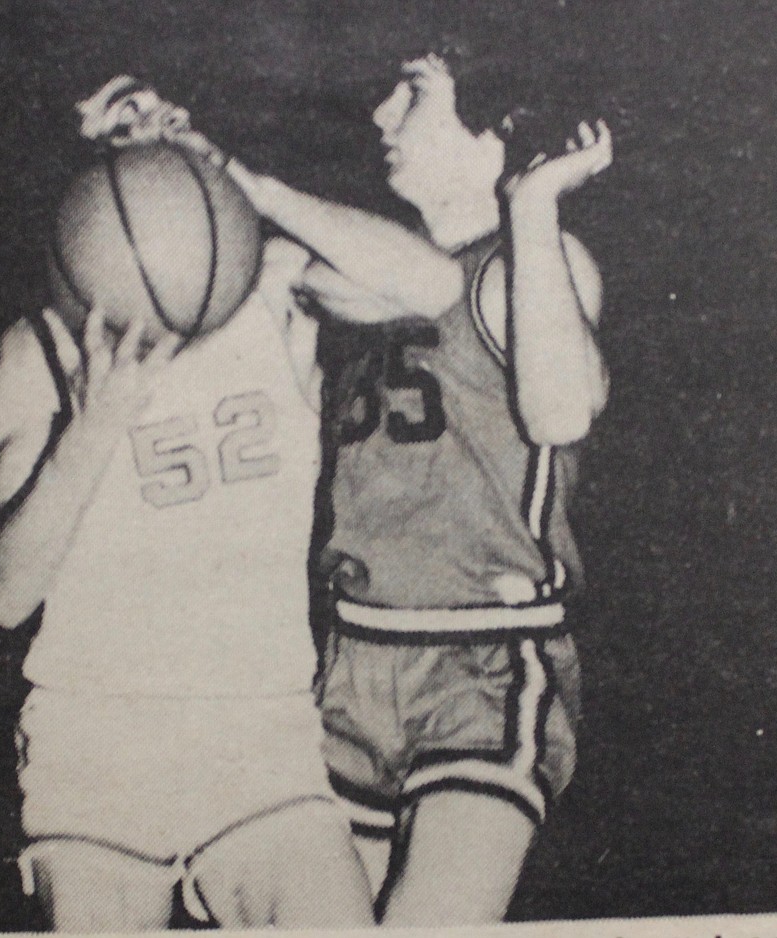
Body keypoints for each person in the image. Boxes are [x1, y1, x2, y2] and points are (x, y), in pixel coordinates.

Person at [0, 77, 469, 931]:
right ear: (82, 181)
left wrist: (254, 186)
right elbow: (2, 595)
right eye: (117, 117)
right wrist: (95, 426)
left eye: (159, 105)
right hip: (99, 741)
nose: (152, 123)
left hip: (260, 735)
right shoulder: (36, 356)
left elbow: (435, 287)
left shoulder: (272, 284)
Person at [199, 51, 612, 924]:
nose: (382, 115)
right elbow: (228, 263)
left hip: (480, 657)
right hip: (352, 662)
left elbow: (563, 410)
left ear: (497, 133)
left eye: (413, 93)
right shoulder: (375, 271)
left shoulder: (532, 259)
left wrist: (533, 205)